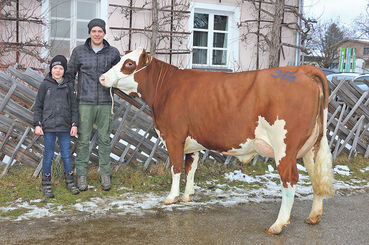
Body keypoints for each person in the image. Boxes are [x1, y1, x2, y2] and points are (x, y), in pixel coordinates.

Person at [65, 18, 121, 191]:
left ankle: (105, 174)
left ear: (104, 33)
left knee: (104, 139)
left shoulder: (113, 53)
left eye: (100, 31)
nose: (97, 34)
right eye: (94, 31)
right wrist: (72, 91)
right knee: (83, 140)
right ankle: (81, 175)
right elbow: (69, 74)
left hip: (105, 102)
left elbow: (119, 75)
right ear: (89, 33)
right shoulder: (79, 51)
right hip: (85, 103)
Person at [33, 55, 80, 198]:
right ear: (51, 69)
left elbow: (74, 108)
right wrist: (37, 124)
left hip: (65, 127)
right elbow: (38, 107)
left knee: (66, 154)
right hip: (48, 127)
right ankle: (46, 184)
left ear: (64, 71)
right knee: (48, 155)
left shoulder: (69, 86)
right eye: (55, 68)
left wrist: (74, 124)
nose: (58, 71)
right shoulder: (45, 85)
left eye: (61, 68)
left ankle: (70, 182)